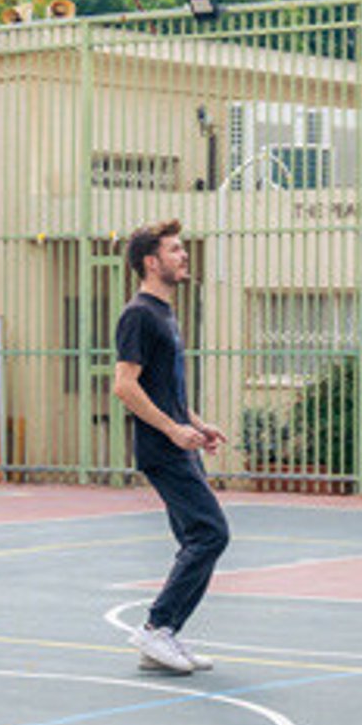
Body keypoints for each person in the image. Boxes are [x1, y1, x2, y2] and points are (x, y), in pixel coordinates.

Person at [113, 219, 228, 675]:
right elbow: (125, 385)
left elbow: (167, 390)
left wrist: (197, 425)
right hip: (163, 450)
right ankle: (157, 627)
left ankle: (163, 638)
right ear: (150, 261)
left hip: (180, 444)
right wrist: (172, 431)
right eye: (175, 250)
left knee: (194, 538)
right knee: (210, 534)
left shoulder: (164, 313)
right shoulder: (139, 314)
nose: (184, 256)